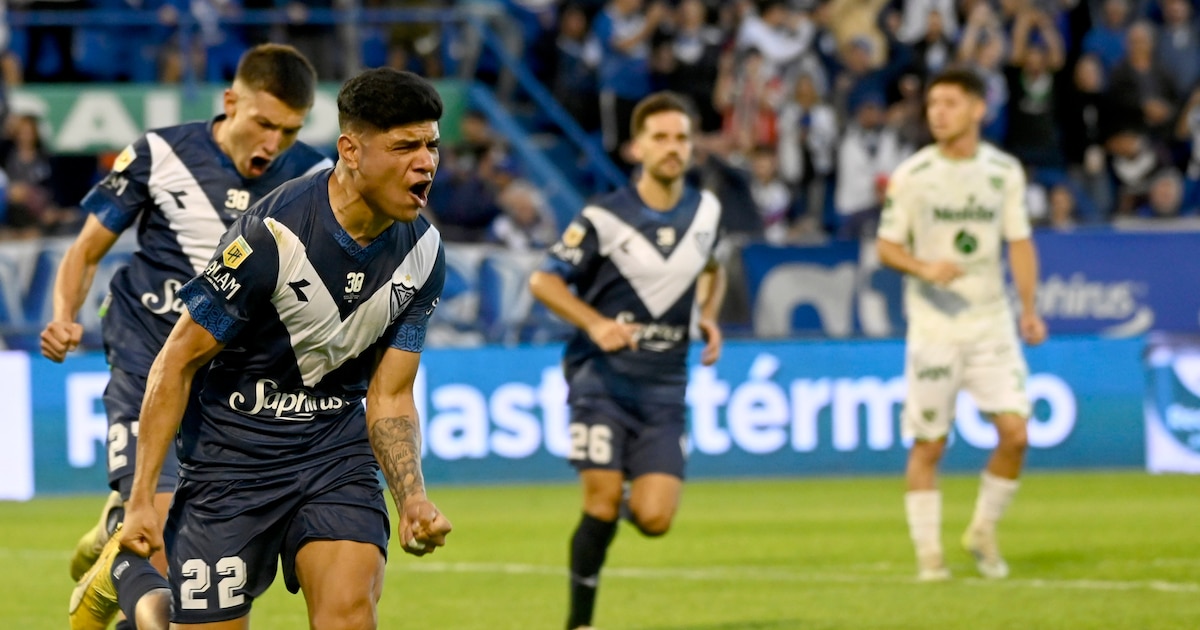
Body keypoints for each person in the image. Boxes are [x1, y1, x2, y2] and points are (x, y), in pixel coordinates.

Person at [77, 67, 453, 630]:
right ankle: (129, 579)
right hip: (232, 460)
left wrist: (413, 498)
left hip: (334, 455)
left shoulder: (424, 253)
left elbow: (391, 394)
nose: (425, 162)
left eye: (431, 146)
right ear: (350, 150)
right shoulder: (270, 234)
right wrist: (138, 502)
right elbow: (176, 362)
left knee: (349, 615)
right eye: (404, 147)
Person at [45, 43, 334, 630]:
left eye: (288, 130)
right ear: (231, 102)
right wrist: (63, 314)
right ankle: (125, 530)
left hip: (227, 387)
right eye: (262, 123)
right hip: (144, 357)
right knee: (157, 540)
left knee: (183, 580)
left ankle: (111, 541)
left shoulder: (311, 177)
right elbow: (85, 250)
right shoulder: (158, 153)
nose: (272, 143)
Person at [529, 91, 726, 630]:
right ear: (636, 147)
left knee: (655, 518)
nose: (672, 148)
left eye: (681, 138)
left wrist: (707, 314)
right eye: (660, 137)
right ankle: (580, 622)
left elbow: (712, 265)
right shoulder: (603, 217)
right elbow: (543, 279)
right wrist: (595, 323)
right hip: (602, 382)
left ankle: (616, 494)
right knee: (600, 500)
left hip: (666, 389)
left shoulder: (707, 210)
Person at [875, 67, 1047, 582]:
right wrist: (925, 268)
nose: (938, 113)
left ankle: (982, 530)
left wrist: (1030, 309)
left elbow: (1018, 241)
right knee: (930, 444)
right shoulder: (913, 175)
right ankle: (930, 557)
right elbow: (886, 246)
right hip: (933, 327)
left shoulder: (1003, 171)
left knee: (1015, 434)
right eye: (932, 105)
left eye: (949, 103)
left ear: (978, 109)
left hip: (990, 322)